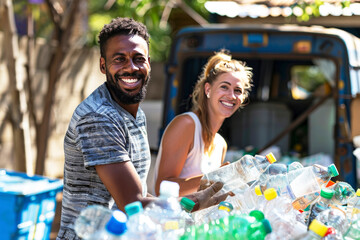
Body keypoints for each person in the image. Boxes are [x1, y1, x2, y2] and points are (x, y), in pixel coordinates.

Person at [57, 17, 228, 240]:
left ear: (148, 62)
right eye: (119, 59)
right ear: (103, 65)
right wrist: (195, 202)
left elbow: (137, 191)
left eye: (138, 59)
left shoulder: (134, 113)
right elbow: (132, 203)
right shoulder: (98, 118)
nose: (131, 67)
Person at [152, 50, 253, 196]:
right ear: (208, 89)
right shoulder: (186, 125)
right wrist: (216, 178)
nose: (231, 96)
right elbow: (162, 188)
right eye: (224, 87)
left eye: (237, 90)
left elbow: (207, 194)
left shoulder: (221, 144)